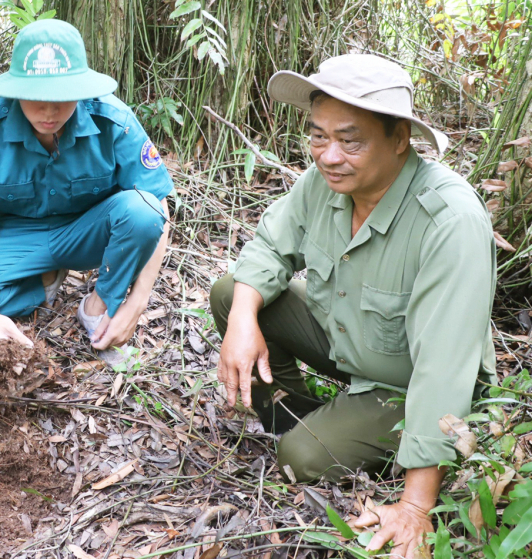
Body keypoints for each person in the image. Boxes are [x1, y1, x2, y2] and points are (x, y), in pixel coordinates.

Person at [211, 55, 496, 559]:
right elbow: (269, 249)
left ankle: (339, 439)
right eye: (318, 136)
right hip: (348, 339)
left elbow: (443, 368)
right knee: (233, 292)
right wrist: (240, 319)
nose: (329, 155)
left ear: (400, 138)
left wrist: (416, 507)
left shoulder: (449, 221)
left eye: (351, 140)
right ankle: (297, 415)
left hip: (408, 385)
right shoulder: (323, 183)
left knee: (300, 459)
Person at [0, 19, 173, 360]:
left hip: (89, 231)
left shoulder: (112, 119)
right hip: (17, 236)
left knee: (144, 211)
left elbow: (159, 209)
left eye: (61, 97)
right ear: (15, 89)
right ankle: (42, 282)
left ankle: (97, 305)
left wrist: (135, 304)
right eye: (36, 97)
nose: (49, 111)